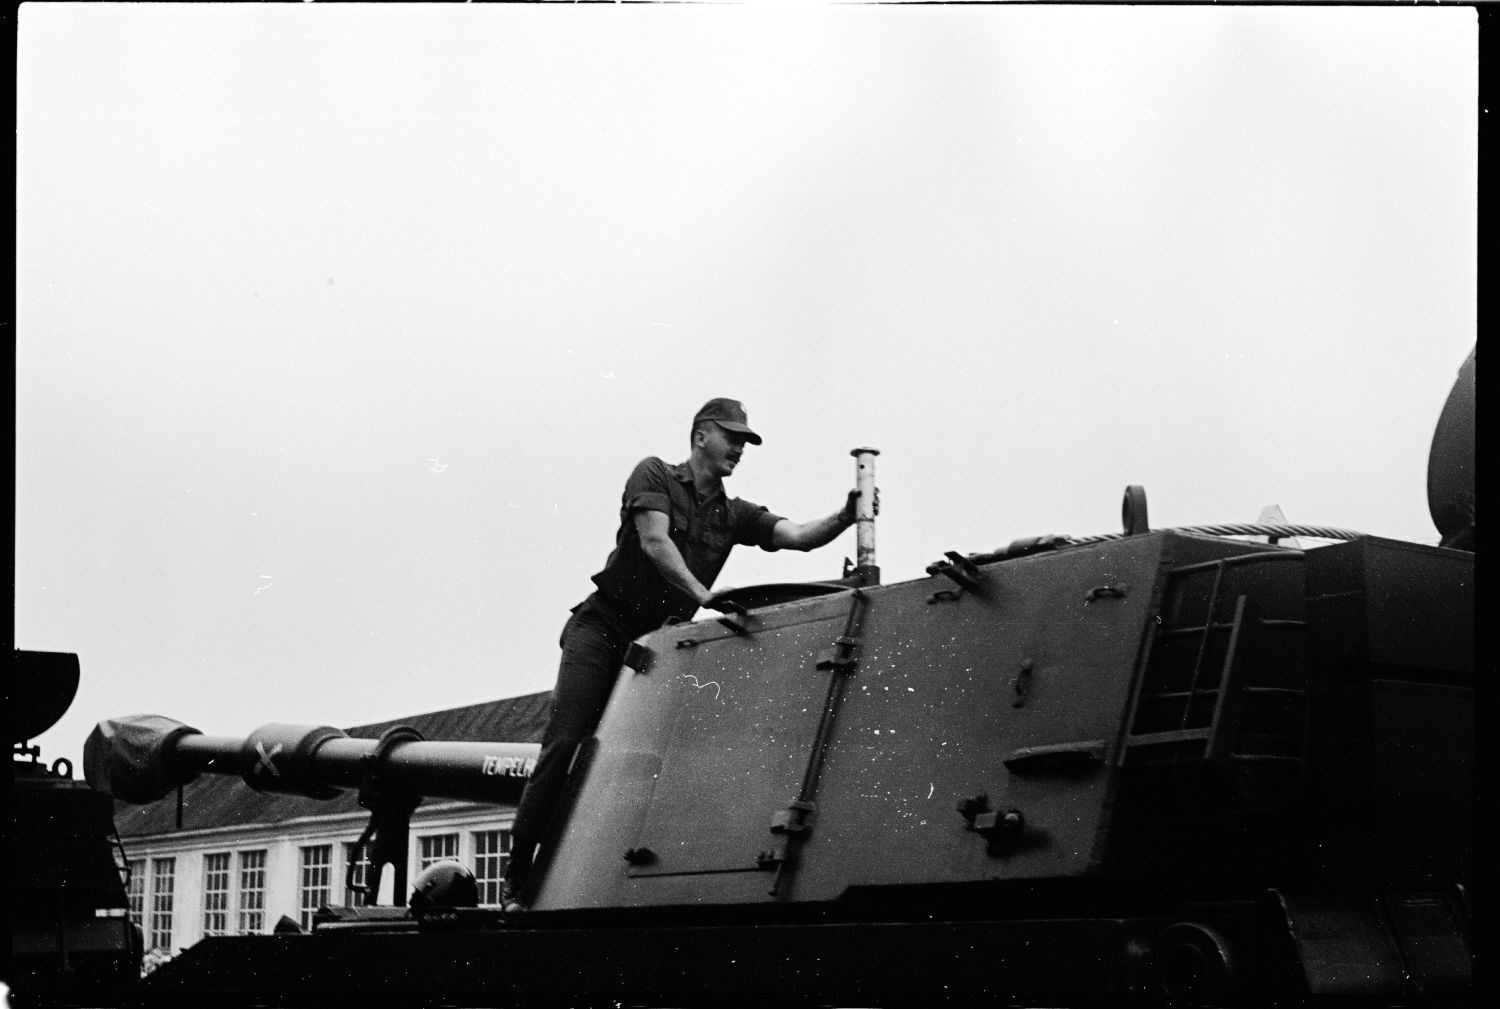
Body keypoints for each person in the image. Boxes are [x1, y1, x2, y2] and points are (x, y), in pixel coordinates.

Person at [501, 398, 865, 911]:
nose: (740, 449)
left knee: (647, 764)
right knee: (566, 745)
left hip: (657, 645)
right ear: (700, 435)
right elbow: (654, 541)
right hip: (604, 629)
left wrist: (845, 516)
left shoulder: (733, 513)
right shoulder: (654, 474)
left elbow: (798, 537)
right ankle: (518, 877)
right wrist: (700, 593)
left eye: (745, 442)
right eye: (732, 437)